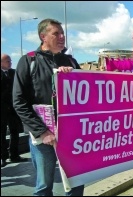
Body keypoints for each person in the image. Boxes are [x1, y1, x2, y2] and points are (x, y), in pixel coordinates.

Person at [12, 18, 84, 196]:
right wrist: (42, 132)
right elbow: (19, 101)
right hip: (43, 135)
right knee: (44, 186)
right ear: (43, 36)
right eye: (56, 33)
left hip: (71, 134)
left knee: (77, 182)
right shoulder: (28, 61)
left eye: (63, 33)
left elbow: (86, 94)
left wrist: (73, 76)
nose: (62, 37)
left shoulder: (71, 62)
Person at [1, 54, 27, 168]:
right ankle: (3, 157)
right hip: (1, 109)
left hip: (13, 109)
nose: (10, 62)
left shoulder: (14, 73)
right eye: (7, 61)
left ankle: (14, 155)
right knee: (1, 134)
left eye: (10, 60)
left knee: (15, 131)